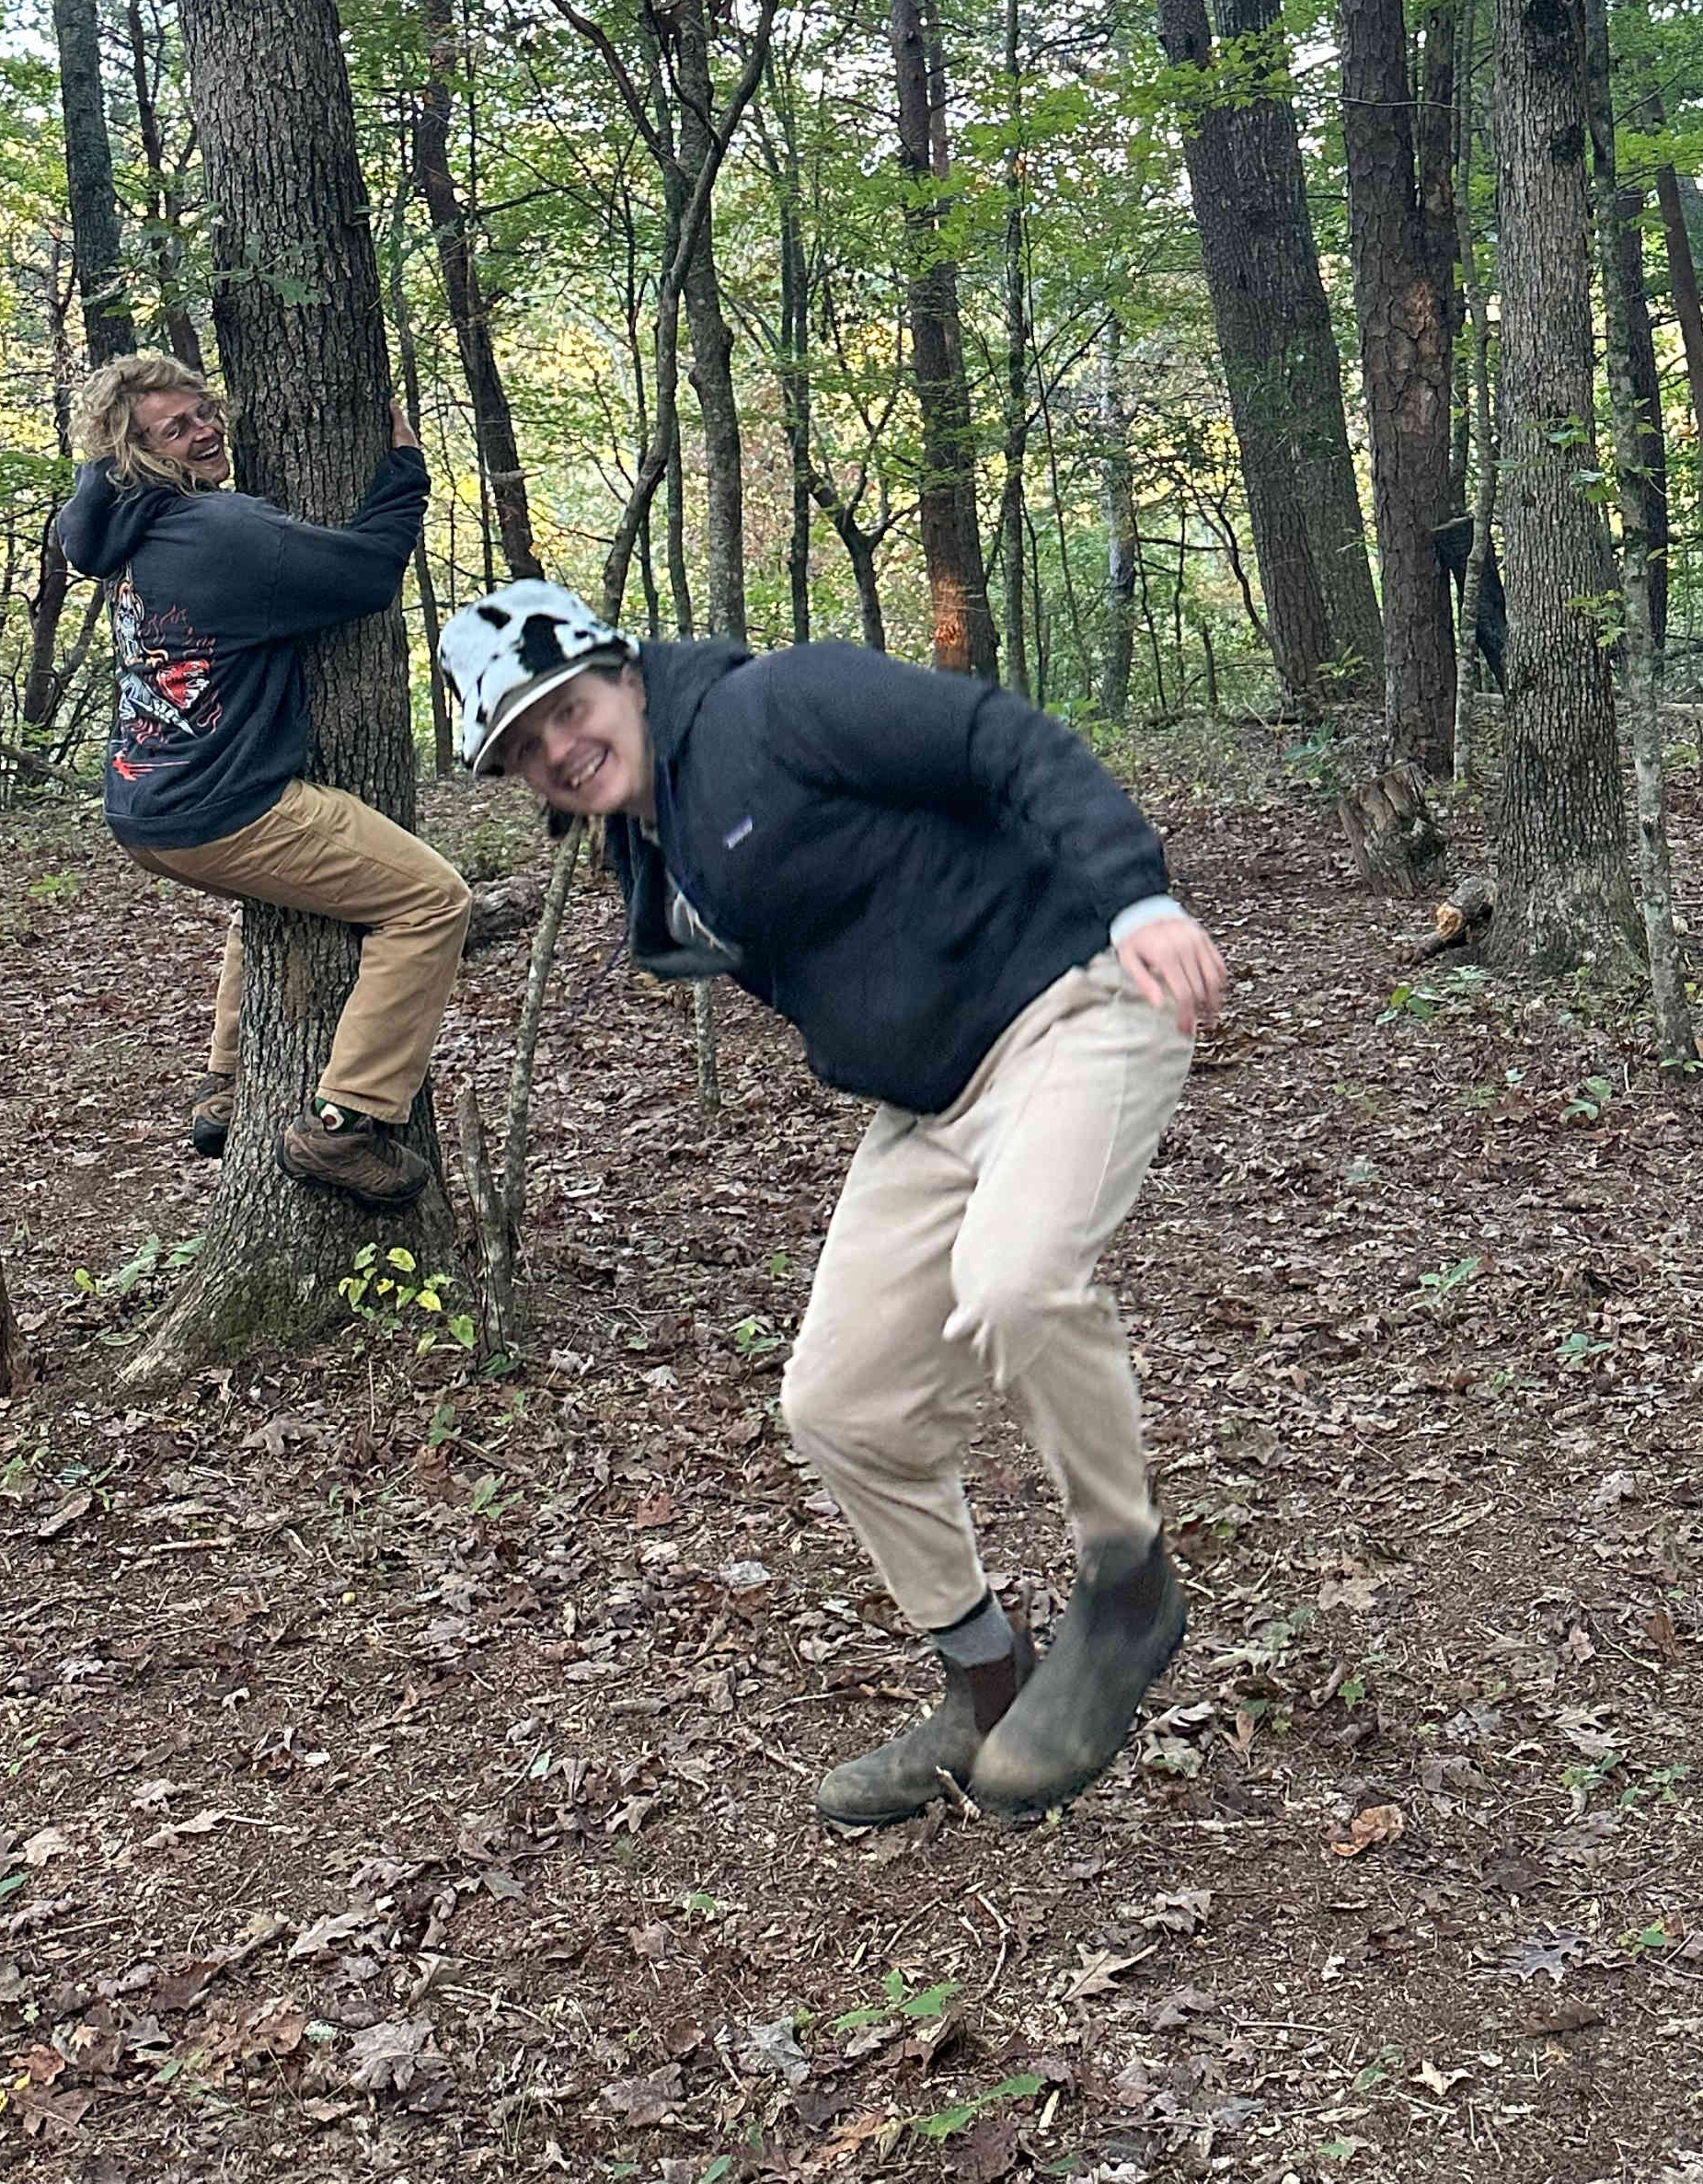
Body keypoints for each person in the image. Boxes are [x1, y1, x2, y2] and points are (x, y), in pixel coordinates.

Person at [436, 580, 1226, 1825]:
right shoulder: (655, 838)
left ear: (623, 672)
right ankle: (982, 1679)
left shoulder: (779, 704)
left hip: (1076, 1002)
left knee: (1017, 1283)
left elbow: (1002, 740)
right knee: (837, 1403)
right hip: (928, 1105)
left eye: (567, 710)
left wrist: (1138, 895)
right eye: (527, 748)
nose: (559, 750)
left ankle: (1128, 1587)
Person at [57, 353, 471, 1210]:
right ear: (134, 454)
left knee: (283, 897)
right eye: (176, 427)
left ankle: (223, 1082)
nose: (205, 429)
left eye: (204, 410)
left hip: (145, 809)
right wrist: (402, 473)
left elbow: (84, 519)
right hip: (224, 806)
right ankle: (345, 1124)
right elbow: (364, 575)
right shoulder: (220, 532)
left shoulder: (129, 526)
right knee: (431, 902)